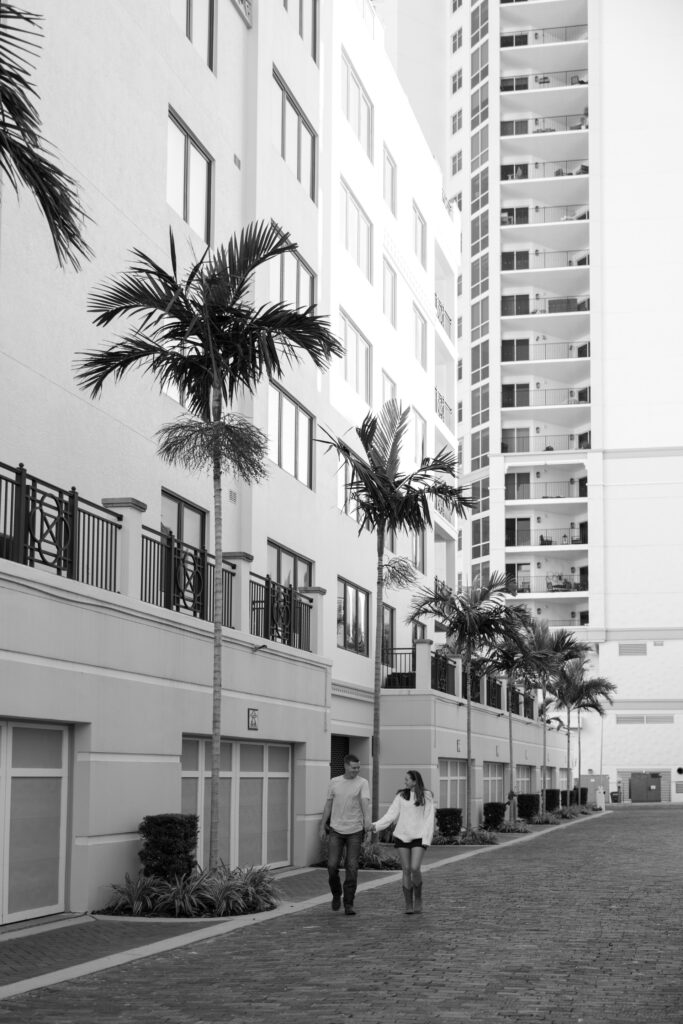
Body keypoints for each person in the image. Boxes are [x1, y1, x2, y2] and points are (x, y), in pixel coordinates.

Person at [370, 769, 435, 915]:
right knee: (405, 869)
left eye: (407, 779)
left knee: (414, 867)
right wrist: (374, 826)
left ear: (415, 781)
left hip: (419, 837)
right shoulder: (401, 796)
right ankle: (408, 904)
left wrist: (426, 839)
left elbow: (429, 819)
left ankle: (418, 898)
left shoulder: (427, 796)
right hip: (402, 836)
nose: (404, 782)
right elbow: (391, 815)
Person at [319, 753, 371, 916]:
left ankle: (348, 903)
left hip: (355, 831)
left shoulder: (363, 783)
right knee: (332, 866)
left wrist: (367, 826)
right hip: (335, 830)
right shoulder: (334, 782)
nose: (356, 770)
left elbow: (365, 804)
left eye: (358, 767)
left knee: (352, 867)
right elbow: (328, 805)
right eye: (354, 767)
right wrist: (322, 826)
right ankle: (336, 893)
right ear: (346, 766)